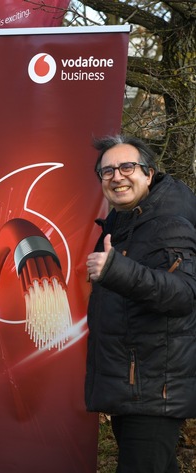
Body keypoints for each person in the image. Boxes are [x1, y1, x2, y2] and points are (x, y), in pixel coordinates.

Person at [85, 134, 196, 473]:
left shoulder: (169, 222)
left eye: (127, 167)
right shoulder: (126, 222)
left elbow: (183, 294)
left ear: (149, 174)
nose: (117, 176)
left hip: (154, 390)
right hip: (134, 387)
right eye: (107, 171)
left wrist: (117, 269)